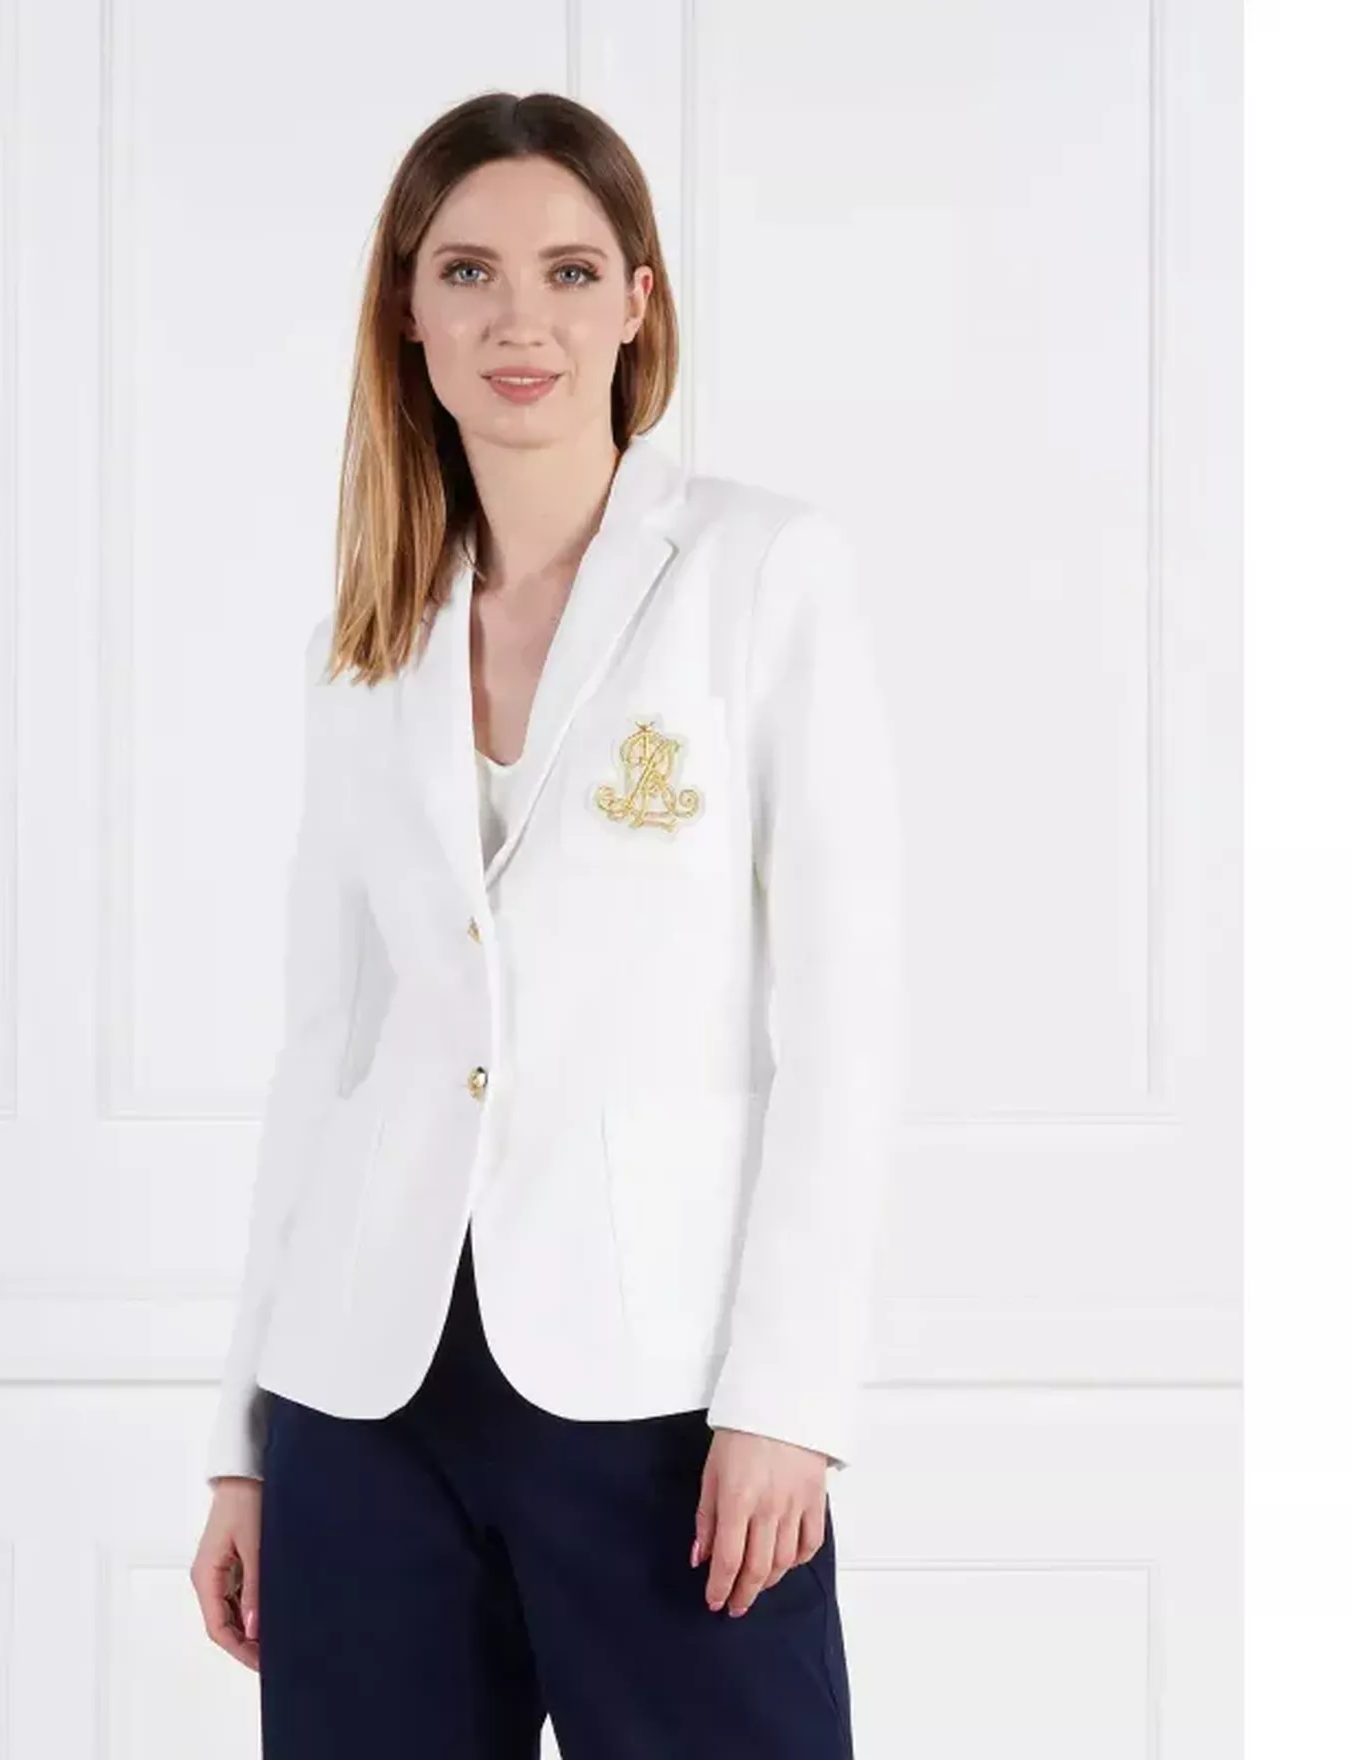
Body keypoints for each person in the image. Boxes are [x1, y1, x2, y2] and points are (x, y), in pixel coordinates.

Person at [188, 89, 902, 1759]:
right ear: (406, 309)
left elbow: (844, 1030)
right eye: (470, 272)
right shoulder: (366, 640)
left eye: (572, 273)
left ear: (639, 303)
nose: (523, 320)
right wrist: (244, 1444)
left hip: (660, 1399)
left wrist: (791, 1404)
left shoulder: (759, 574)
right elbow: (327, 1056)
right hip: (362, 1399)